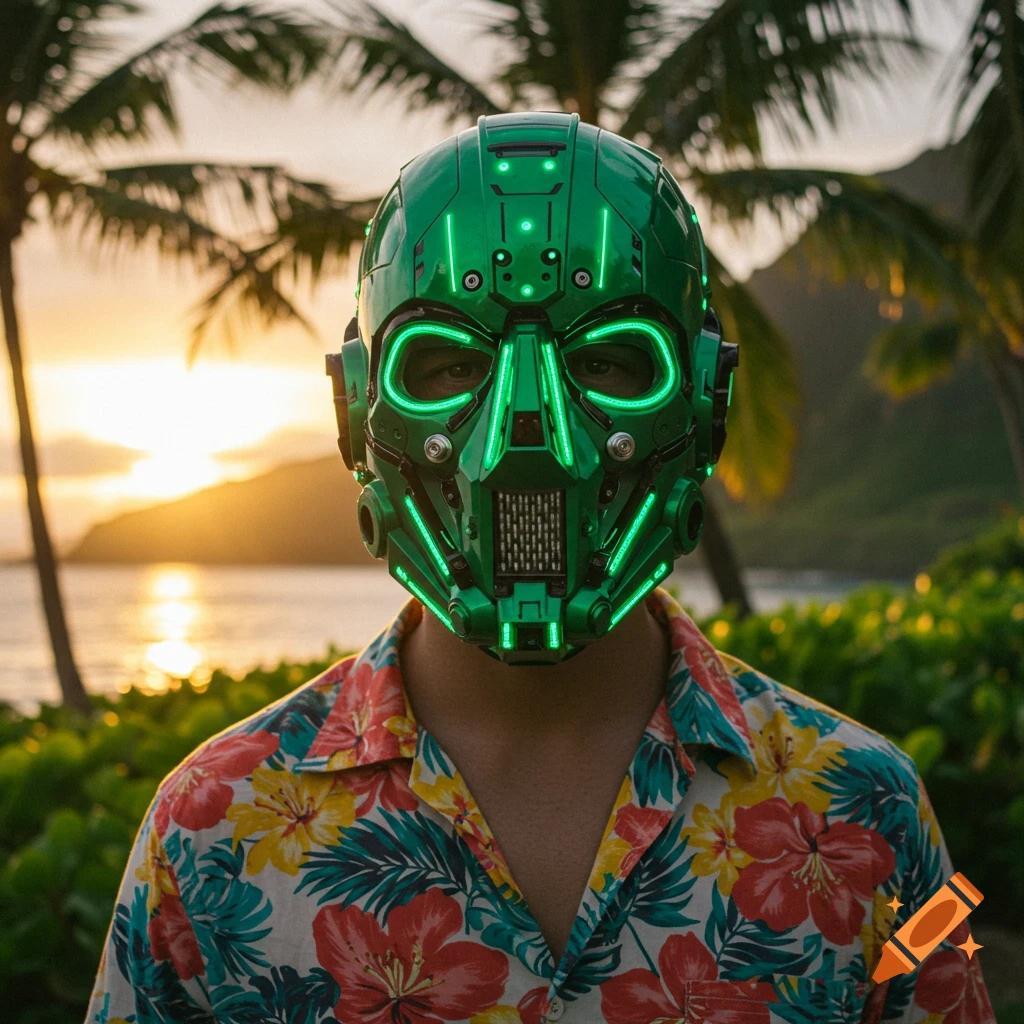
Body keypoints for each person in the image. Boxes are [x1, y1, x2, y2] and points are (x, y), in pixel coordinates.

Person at [87, 113, 994, 1024]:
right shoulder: (205, 834)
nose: (531, 439)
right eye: (442, 363)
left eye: (607, 359)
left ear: (705, 401)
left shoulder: (874, 817)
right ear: (360, 407)